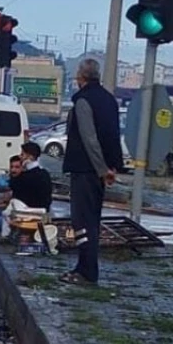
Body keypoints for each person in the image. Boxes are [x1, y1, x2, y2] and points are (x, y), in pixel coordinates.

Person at [60, 58, 123, 286]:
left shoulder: (83, 101)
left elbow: (89, 138)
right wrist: (112, 166)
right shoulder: (109, 100)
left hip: (85, 168)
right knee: (92, 220)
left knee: (82, 222)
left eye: (77, 74)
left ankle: (86, 271)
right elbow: (113, 135)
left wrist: (102, 169)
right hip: (100, 169)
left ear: (82, 77)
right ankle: (84, 267)